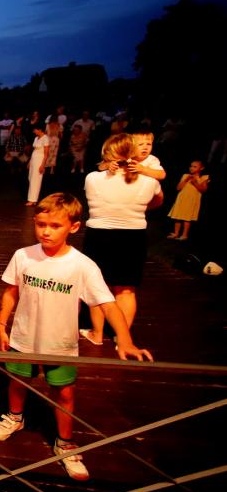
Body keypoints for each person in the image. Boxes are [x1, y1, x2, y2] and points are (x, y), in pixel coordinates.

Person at [0, 193, 153, 481]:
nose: (46, 231)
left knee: (64, 393)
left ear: (74, 227)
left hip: (61, 344)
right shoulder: (23, 255)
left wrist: (125, 339)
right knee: (17, 381)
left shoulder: (82, 266)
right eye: (41, 224)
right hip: (23, 337)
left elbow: (107, 303)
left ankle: (65, 442)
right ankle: (15, 417)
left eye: (55, 225)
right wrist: (2, 322)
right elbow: (11, 291)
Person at [80, 134, 164, 346]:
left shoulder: (93, 178)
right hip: (133, 237)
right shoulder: (149, 181)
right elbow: (158, 201)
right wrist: (136, 208)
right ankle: (121, 337)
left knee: (97, 286)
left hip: (99, 236)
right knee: (126, 290)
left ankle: (97, 333)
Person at [167, 160, 209, 241]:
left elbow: (203, 190)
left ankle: (184, 235)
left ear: (201, 168)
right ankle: (176, 233)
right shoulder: (185, 175)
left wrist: (195, 183)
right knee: (177, 217)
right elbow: (178, 188)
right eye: (191, 166)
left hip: (191, 200)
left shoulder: (204, 178)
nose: (191, 168)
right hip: (182, 199)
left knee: (187, 218)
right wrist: (186, 180)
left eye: (195, 167)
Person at [26, 123, 50, 206]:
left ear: (40, 130)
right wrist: (30, 161)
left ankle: (32, 200)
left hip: (40, 160)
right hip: (34, 159)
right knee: (31, 178)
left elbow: (46, 154)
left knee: (36, 179)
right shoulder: (36, 138)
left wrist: (43, 165)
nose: (34, 131)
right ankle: (33, 199)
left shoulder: (45, 138)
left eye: (35, 130)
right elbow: (34, 150)